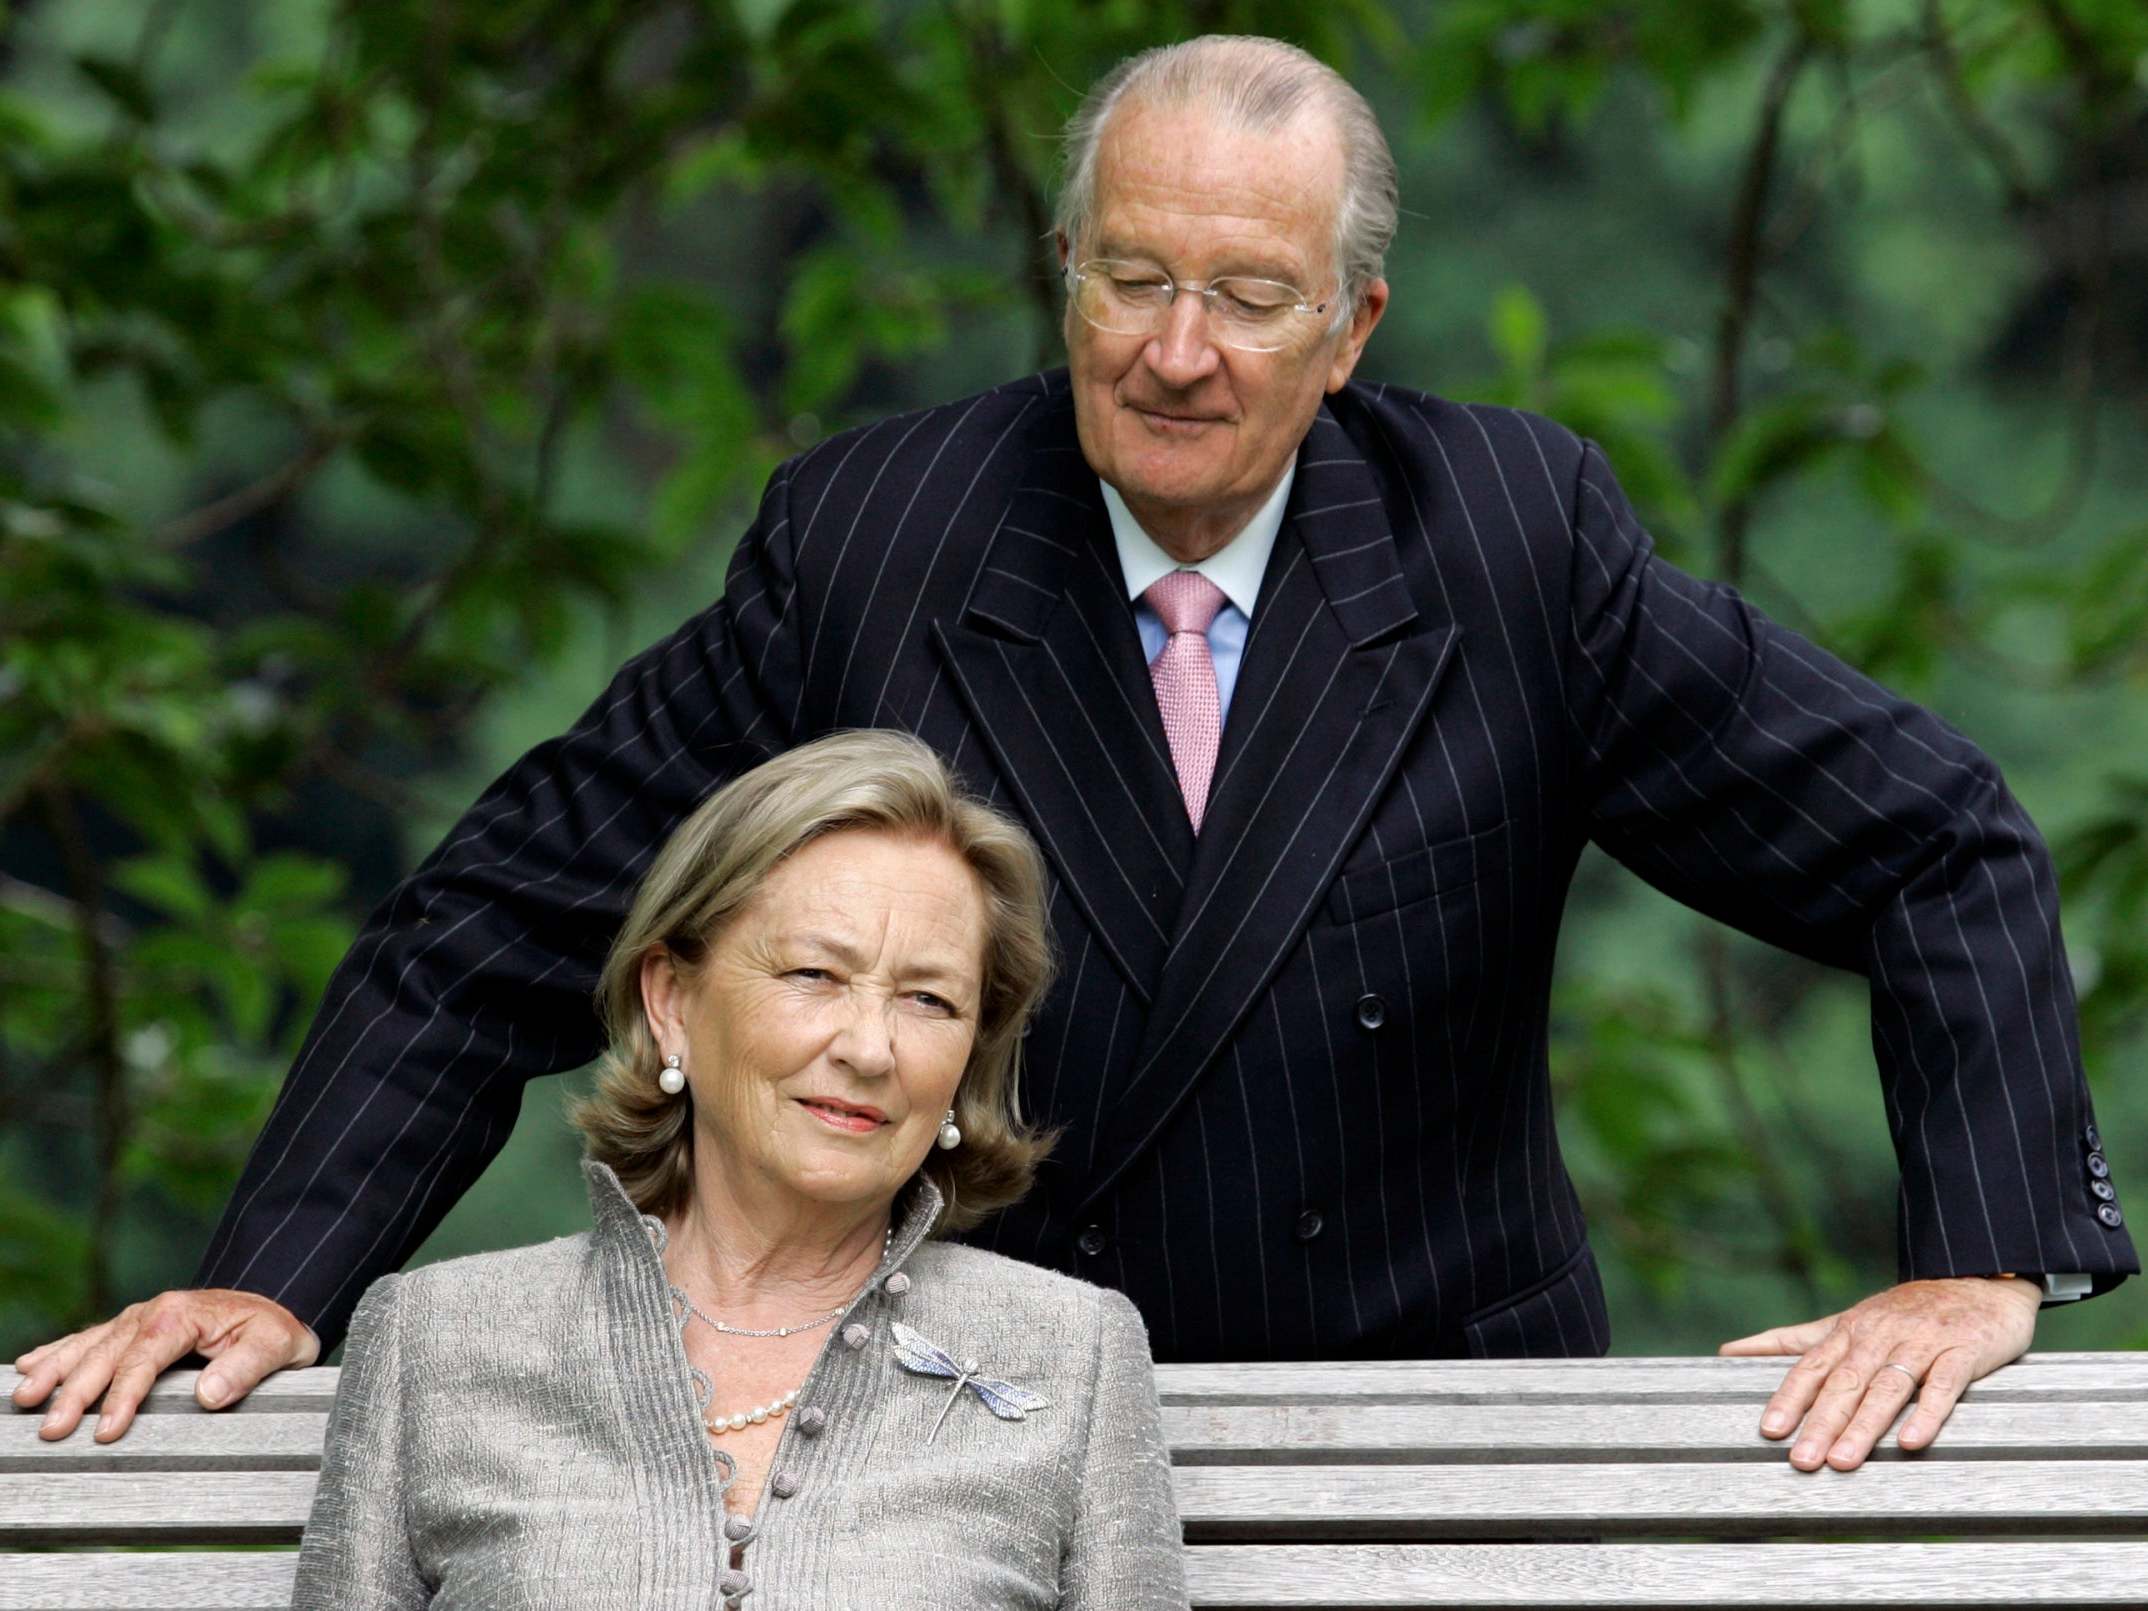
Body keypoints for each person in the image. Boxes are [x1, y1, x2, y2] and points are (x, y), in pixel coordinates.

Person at [16, 35, 2134, 1480]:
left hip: (1444, 1447)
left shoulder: (1510, 540)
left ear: (1355, 325)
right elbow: (493, 913)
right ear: (1066, 270)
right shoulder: (876, 543)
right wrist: (276, 1270)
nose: (1176, 350)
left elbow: (1931, 839)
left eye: (1244, 293)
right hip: (961, 1448)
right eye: (1130, 276)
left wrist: (1978, 1253)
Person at [291, 729, 1185, 1609]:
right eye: (814, 974)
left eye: (928, 999)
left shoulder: (1077, 1352)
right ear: (672, 1001)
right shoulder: (434, 1340)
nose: (871, 1048)